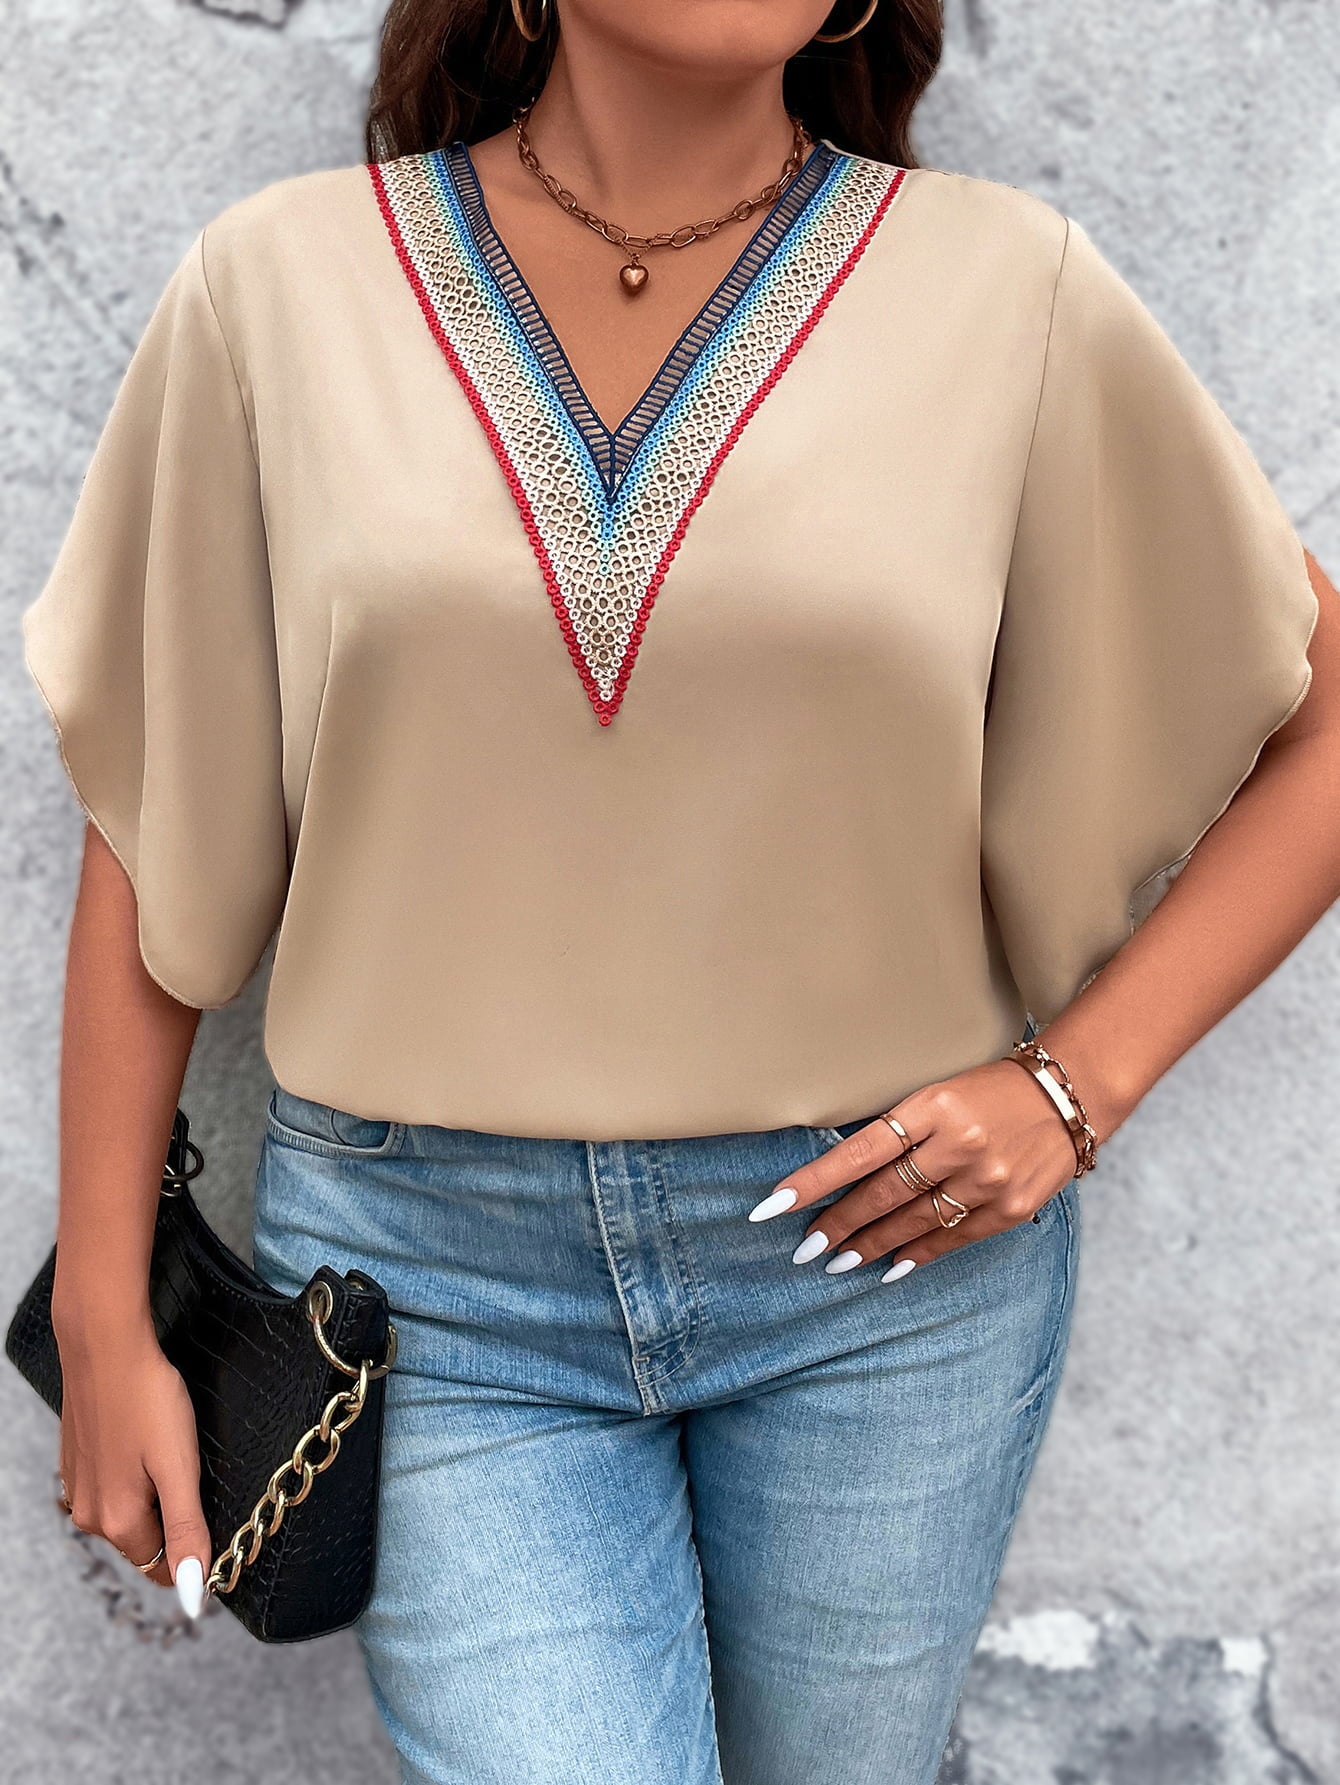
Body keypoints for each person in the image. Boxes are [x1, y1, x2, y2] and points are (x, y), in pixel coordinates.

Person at [24, 2, 1339, 1782]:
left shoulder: (1008, 292)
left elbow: (1318, 717)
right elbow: (156, 811)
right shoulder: (280, 285)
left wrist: (1070, 1086)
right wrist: (105, 1313)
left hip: (886, 1284)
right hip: (428, 1292)